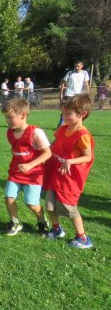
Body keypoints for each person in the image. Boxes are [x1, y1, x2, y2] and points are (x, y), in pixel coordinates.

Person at [43, 94, 95, 248]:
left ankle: (83, 238)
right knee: (50, 204)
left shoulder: (83, 135)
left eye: (68, 114)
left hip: (69, 178)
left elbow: (87, 157)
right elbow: (55, 143)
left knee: (70, 207)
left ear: (82, 114)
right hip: (56, 173)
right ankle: (57, 228)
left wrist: (70, 161)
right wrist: (45, 151)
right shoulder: (63, 128)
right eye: (63, 114)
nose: (64, 117)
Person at [2, 99, 51, 236]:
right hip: (16, 172)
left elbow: (48, 153)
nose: (8, 120)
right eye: (6, 117)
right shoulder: (10, 132)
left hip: (34, 174)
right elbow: (16, 149)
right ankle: (15, 222)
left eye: (11, 117)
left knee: (31, 203)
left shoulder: (36, 132)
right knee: (9, 197)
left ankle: (42, 220)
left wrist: (30, 164)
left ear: (23, 115)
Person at [58, 61, 90, 127]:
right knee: (65, 110)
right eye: (75, 66)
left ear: (82, 66)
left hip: (78, 95)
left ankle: (76, 125)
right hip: (69, 95)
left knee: (77, 111)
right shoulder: (70, 73)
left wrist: (87, 93)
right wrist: (61, 94)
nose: (76, 67)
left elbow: (86, 84)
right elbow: (63, 83)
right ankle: (61, 125)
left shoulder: (84, 73)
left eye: (78, 66)